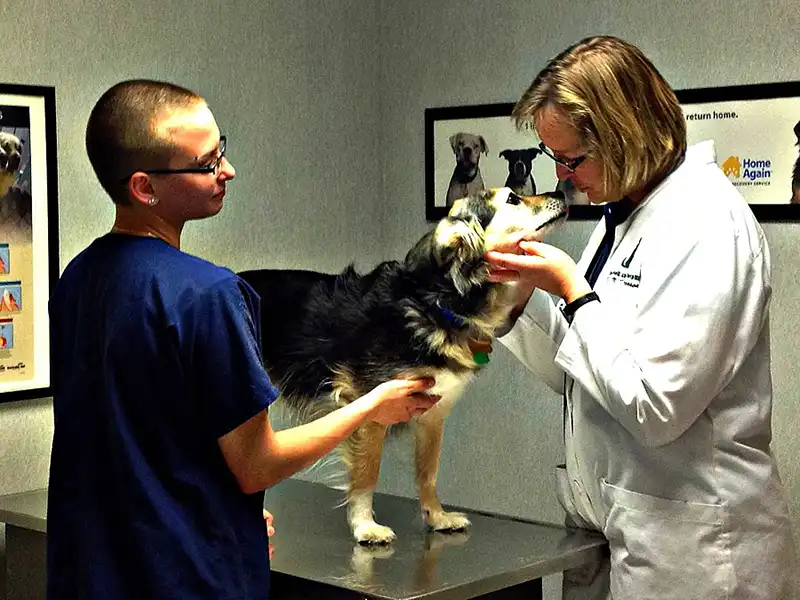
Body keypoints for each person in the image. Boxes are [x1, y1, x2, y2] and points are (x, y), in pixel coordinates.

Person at [46, 79, 439, 600]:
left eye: (221, 150)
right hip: (189, 580)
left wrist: (220, 505)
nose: (226, 171)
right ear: (145, 187)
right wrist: (371, 405)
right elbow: (259, 464)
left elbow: (141, 440)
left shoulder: (76, 278)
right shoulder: (210, 295)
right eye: (207, 164)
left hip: (93, 574)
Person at [486, 36, 796, 599]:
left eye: (571, 159)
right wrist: (519, 299)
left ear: (624, 136)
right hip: (619, 528)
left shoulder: (708, 223)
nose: (560, 176)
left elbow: (656, 408)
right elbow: (581, 376)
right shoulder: (620, 219)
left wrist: (573, 291)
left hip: (693, 550)